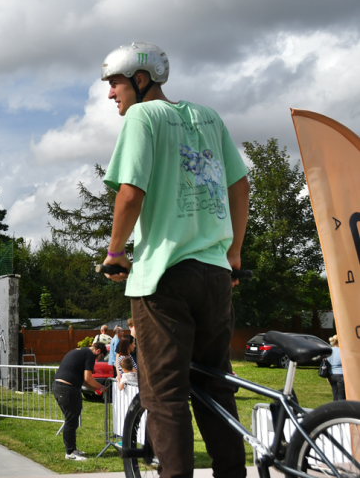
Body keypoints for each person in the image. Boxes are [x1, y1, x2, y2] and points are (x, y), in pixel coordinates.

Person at [100, 42, 250, 478]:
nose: (111, 94)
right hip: (215, 274)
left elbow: (130, 194)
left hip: (163, 276)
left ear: (140, 80)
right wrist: (234, 253)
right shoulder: (209, 116)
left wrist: (114, 253)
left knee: (164, 394)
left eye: (115, 83)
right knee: (215, 386)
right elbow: (240, 187)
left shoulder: (142, 117)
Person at [53, 342, 108, 461]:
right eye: (100, 357)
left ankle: (72, 449)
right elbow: (88, 377)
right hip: (67, 389)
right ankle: (70, 453)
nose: (98, 360)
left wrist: (94, 389)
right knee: (71, 421)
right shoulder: (89, 354)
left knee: (72, 420)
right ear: (98, 351)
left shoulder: (78, 351)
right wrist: (100, 387)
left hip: (61, 387)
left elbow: (82, 380)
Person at [327, 335, 345, 401]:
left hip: (331, 375)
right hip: (341, 375)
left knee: (335, 395)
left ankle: (334, 409)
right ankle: (342, 410)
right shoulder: (343, 351)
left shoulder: (329, 351)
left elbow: (326, 364)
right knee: (342, 397)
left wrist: (327, 376)